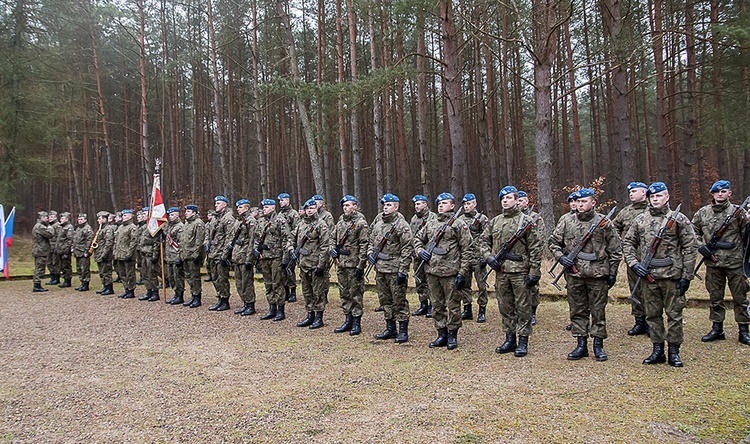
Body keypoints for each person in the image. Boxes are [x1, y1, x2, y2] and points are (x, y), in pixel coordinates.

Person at [623, 182, 698, 367]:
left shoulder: (678, 219)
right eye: (652, 197)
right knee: (652, 315)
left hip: (672, 276)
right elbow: (628, 244)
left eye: (659, 196)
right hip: (649, 277)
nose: (655, 200)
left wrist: (686, 276)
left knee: (674, 315)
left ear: (667, 197)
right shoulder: (640, 220)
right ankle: (657, 350)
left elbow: (690, 247)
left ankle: (674, 352)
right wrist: (634, 264)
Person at [549, 188, 622, 362]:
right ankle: (581, 344)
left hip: (598, 274)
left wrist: (612, 273)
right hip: (574, 275)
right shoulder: (566, 221)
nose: (580, 205)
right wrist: (562, 258)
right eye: (578, 202)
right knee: (577, 310)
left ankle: (598, 345)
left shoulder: (603, 222)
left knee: (598, 311)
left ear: (593, 203)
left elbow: (615, 250)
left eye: (584, 201)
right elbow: (553, 243)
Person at [478, 186, 543, 357]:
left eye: (509, 198)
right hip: (501, 271)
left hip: (521, 271)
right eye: (503, 198)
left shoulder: (527, 221)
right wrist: (488, 257)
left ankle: (523, 340)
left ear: (516, 200)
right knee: (505, 306)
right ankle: (509, 338)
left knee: (523, 307)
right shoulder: (495, 221)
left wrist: (534, 272)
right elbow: (483, 241)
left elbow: (536, 248)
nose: (505, 200)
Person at [691, 180, 750, 345]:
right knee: (715, 297)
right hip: (713, 263)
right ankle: (717, 328)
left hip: (735, 263)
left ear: (730, 193)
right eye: (717, 192)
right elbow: (692, 231)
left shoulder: (738, 212)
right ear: (712, 194)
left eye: (724, 191)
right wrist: (700, 246)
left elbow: (747, 233)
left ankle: (744, 330)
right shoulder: (703, 213)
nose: (720, 194)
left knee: (740, 298)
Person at [414, 193, 473, 350]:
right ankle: (441, 333)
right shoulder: (430, 223)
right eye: (439, 203)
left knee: (453, 305)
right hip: (432, 272)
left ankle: (452, 334)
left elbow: (467, 250)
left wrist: (462, 272)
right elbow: (418, 239)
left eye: (445, 203)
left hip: (451, 272)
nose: (441, 205)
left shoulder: (458, 224)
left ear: (452, 206)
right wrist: (420, 251)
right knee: (436, 305)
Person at [368, 193, 414, 343]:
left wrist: (403, 270)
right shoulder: (379, 223)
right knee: (385, 299)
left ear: (396, 206)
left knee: (399, 300)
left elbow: (407, 248)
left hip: (395, 269)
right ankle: (390, 328)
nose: (385, 208)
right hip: (380, 268)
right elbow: (371, 241)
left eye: (389, 205)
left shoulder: (401, 225)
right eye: (384, 205)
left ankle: (403, 330)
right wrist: (370, 254)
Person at [612, 182, 650, 336]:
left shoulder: (652, 211)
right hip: (633, 258)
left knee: (651, 291)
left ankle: (651, 321)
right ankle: (639, 321)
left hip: (652, 259)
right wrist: (621, 243)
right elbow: (613, 228)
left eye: (634, 191)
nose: (631, 194)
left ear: (644, 192)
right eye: (630, 192)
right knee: (635, 289)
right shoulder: (625, 212)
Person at [287, 198, 331, 329]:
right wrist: (290, 249)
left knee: (318, 292)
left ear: (316, 209)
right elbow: (291, 238)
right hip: (304, 263)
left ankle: (319, 317)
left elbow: (325, 246)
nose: (309, 210)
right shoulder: (301, 224)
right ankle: (310, 314)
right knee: (307, 291)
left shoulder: (321, 224)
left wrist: (321, 265)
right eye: (307, 209)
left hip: (316, 264)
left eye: (312, 208)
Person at [330, 195, 369, 335]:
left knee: (356, 294)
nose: (345, 208)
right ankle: (348, 320)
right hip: (341, 264)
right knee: (344, 292)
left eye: (348, 205)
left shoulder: (360, 223)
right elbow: (332, 238)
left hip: (354, 264)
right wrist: (332, 250)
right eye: (344, 205)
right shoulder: (340, 221)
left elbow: (364, 245)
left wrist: (360, 265)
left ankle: (356, 322)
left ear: (355, 206)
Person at [255, 198, 291, 321]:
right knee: (268, 284)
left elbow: (287, 238)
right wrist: (257, 250)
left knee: (277, 283)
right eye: (263, 207)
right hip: (264, 257)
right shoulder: (260, 221)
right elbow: (257, 237)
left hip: (276, 256)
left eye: (266, 207)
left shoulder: (280, 220)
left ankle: (280, 309)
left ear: (272, 208)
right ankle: (272, 308)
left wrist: (285, 257)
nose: (264, 209)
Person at [459, 193, 489, 322]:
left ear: (475, 204)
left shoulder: (482, 218)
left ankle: (482, 309)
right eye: (465, 204)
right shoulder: (459, 220)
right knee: (464, 284)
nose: (467, 206)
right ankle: (467, 308)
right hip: (465, 257)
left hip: (478, 256)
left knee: (481, 284)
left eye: (469, 204)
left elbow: (487, 238)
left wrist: (484, 256)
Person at [518, 190, 546, 325]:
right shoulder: (515, 218)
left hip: (532, 257)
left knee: (533, 287)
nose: (519, 203)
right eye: (518, 200)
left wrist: (535, 256)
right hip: (518, 258)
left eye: (522, 200)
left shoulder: (535, 218)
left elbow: (540, 238)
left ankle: (533, 312)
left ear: (527, 201)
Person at [409, 194, 437, 318]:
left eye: (419, 204)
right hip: (417, 254)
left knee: (430, 280)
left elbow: (435, 237)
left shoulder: (433, 217)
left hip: (429, 254)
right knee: (419, 280)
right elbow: (412, 236)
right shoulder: (414, 219)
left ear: (425, 204)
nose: (417, 206)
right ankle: (423, 304)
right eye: (415, 204)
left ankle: (432, 305)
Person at [207, 196, 235, 311]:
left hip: (221, 253)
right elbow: (209, 234)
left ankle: (225, 300)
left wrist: (225, 255)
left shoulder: (228, 218)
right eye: (215, 203)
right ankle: (219, 298)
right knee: (215, 277)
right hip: (213, 252)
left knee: (222, 278)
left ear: (224, 204)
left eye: (218, 203)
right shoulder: (215, 219)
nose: (216, 205)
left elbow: (230, 237)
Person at [231, 199, 259, 316]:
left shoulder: (251, 221)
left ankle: (250, 304)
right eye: (238, 207)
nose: (238, 209)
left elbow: (252, 240)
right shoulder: (238, 221)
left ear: (247, 208)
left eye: (241, 207)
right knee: (239, 282)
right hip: (237, 255)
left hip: (245, 255)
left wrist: (249, 258)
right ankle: (245, 303)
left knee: (246, 282)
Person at [179, 204, 205, 307]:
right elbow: (183, 240)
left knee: (195, 277)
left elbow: (199, 241)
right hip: (185, 254)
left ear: (194, 212)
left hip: (193, 255)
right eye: (186, 211)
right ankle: (193, 295)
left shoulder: (198, 223)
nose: (186, 213)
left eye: (189, 211)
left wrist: (196, 254)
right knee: (189, 276)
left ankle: (197, 297)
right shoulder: (186, 224)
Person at [278, 192, 301, 302]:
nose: (281, 202)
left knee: (289, 269)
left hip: (290, 245)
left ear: (288, 200)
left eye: (282, 200)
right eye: (280, 200)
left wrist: (293, 245)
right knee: (282, 269)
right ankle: (285, 290)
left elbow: (297, 229)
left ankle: (292, 291)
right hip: (280, 246)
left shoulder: (294, 214)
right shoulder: (279, 215)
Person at [113, 209, 139, 299]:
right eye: (123, 216)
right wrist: (115, 252)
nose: (124, 217)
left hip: (127, 255)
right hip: (119, 254)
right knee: (122, 273)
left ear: (131, 216)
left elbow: (133, 242)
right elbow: (116, 241)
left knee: (130, 273)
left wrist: (129, 254)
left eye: (126, 216)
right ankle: (126, 289)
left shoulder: (132, 227)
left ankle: (131, 290)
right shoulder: (120, 227)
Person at [137, 207, 161, 302]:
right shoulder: (144, 227)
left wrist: (155, 255)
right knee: (145, 274)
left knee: (152, 274)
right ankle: (149, 290)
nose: (143, 216)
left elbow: (156, 242)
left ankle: (155, 292)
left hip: (150, 253)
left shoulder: (153, 227)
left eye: (144, 214)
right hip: (143, 253)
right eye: (142, 214)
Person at [164, 207, 185, 305]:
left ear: (177, 215)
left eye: (172, 215)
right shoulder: (169, 226)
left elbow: (181, 243)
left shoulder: (179, 226)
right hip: (169, 256)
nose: (170, 217)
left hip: (176, 255)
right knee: (171, 277)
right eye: (169, 215)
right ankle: (175, 293)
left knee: (178, 277)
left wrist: (179, 257)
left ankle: (179, 295)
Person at [93, 211, 116, 295]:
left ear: (104, 219)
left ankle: (109, 288)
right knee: (102, 272)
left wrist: (104, 254)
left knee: (106, 272)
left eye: (99, 218)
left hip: (105, 254)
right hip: (100, 253)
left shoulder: (108, 229)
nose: (98, 220)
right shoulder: (101, 228)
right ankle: (105, 286)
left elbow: (109, 242)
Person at [32, 211, 54, 292]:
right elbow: (50, 235)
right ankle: (37, 285)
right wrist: (51, 229)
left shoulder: (38, 226)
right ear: (42, 218)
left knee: (38, 267)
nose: (48, 219)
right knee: (40, 268)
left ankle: (37, 284)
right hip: (41, 250)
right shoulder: (40, 227)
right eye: (46, 218)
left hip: (39, 250)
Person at [72, 213, 94, 291]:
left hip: (83, 252)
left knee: (84, 268)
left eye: (81, 219)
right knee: (79, 268)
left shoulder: (87, 228)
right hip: (77, 251)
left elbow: (89, 240)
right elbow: (75, 239)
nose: (80, 221)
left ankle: (85, 283)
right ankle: (82, 282)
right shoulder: (78, 228)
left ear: (85, 220)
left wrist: (86, 251)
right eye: (79, 219)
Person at [54, 212, 75, 288]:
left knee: (66, 266)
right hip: (60, 249)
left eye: (62, 218)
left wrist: (66, 250)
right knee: (62, 266)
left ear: (66, 219)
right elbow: (59, 239)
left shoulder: (69, 227)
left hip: (65, 250)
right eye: (61, 218)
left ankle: (67, 280)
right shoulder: (61, 227)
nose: (60, 220)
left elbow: (70, 240)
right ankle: (64, 279)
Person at [45, 210, 61, 285]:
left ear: (55, 217)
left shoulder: (57, 225)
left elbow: (59, 237)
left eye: (52, 217)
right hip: (49, 247)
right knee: (49, 262)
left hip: (54, 246)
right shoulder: (49, 225)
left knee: (55, 263)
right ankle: (52, 277)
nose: (50, 218)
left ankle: (56, 278)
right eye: (49, 217)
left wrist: (56, 247)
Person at [203, 210, 217, 282]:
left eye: (210, 215)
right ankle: (210, 274)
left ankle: (214, 275)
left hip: (215, 246)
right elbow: (206, 235)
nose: (208, 217)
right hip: (209, 245)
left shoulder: (215, 223)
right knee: (208, 262)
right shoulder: (207, 224)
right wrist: (206, 243)